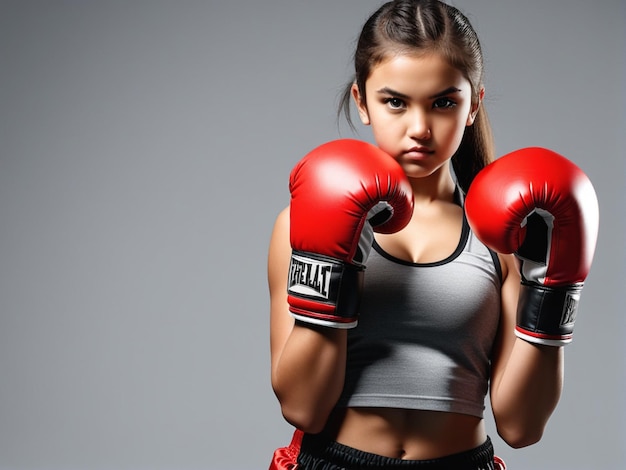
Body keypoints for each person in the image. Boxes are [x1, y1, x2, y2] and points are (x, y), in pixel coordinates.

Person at [267, 1, 598, 468]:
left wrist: (553, 284)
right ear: (362, 101)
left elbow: (521, 427)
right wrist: (334, 265)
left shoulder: (505, 237)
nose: (419, 128)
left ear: (473, 104)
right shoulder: (299, 222)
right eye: (395, 101)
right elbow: (302, 407)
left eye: (443, 102)